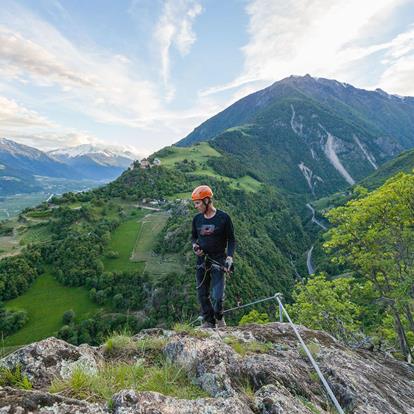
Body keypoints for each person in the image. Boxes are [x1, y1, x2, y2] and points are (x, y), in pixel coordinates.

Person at [191, 185, 235, 328]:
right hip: (202, 261)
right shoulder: (197, 219)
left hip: (218, 260)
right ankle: (209, 322)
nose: (196, 206)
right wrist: (195, 247)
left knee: (217, 296)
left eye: (197, 203)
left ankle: (219, 318)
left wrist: (229, 257)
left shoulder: (223, 218)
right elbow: (193, 237)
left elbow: (231, 239)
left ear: (207, 200)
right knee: (202, 294)